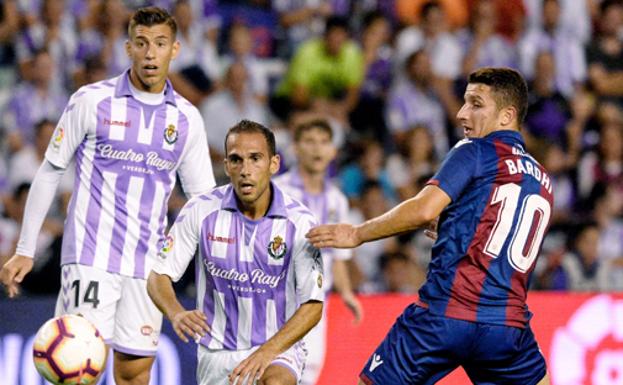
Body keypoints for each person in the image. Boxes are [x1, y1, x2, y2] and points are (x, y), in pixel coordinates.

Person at [0, 7, 216, 385]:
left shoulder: (186, 119)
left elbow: (201, 202)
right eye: (143, 44)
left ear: (175, 50)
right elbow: (50, 171)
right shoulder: (91, 101)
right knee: (76, 368)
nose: (151, 53)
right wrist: (26, 248)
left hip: (148, 267)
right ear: (128, 47)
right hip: (90, 256)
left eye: (160, 44)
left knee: (134, 375)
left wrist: (203, 269)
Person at [307, 67, 553, 385]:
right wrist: (455, 225)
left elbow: (424, 209)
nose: (462, 114)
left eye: (476, 104)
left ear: (506, 116)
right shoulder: (543, 179)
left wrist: (357, 233)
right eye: (464, 102)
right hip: (506, 329)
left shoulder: (475, 150)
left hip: (444, 316)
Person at [147, 120, 324, 385]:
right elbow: (158, 276)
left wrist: (266, 353)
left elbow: (313, 306)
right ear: (227, 166)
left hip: (276, 350)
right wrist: (176, 312)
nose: (245, 170)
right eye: (236, 160)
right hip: (216, 355)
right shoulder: (201, 211)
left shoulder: (299, 222)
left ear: (274, 164)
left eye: (255, 159)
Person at [274, 118, 363, 385]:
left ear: (333, 152)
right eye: (310, 141)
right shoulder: (278, 192)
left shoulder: (337, 199)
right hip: (279, 296)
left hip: (316, 301)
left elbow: (337, 256)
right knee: (272, 370)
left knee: (309, 373)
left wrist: (346, 293)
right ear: (296, 148)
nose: (317, 149)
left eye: (324, 142)